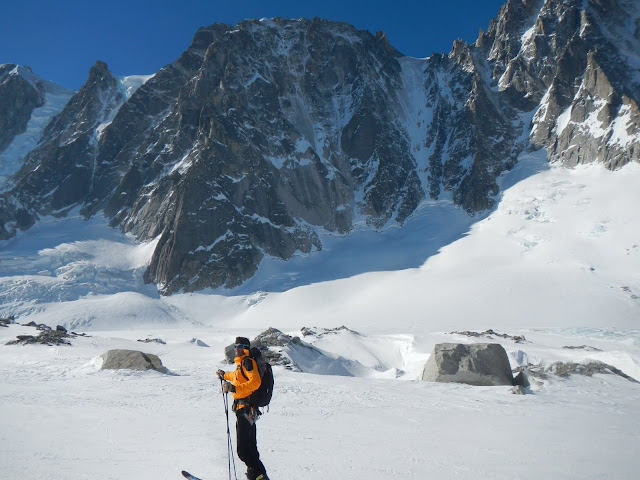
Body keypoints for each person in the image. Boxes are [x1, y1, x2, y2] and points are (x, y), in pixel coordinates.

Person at [217, 337, 269, 480]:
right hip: (246, 410)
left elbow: (255, 383)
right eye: (235, 345)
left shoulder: (248, 362)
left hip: (246, 410)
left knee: (243, 452)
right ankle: (256, 476)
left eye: (239, 346)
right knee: (250, 449)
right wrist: (223, 375)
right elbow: (235, 376)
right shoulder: (241, 365)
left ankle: (260, 476)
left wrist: (233, 388)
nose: (235, 348)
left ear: (245, 348)